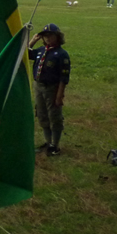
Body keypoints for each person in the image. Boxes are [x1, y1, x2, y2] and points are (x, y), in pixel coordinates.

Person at [30, 23, 71, 156]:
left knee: (54, 116)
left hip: (52, 88)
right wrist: (32, 41)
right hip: (39, 86)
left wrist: (59, 95)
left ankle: (55, 145)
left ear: (57, 36)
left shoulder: (61, 54)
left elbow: (64, 77)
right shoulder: (41, 50)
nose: (47, 38)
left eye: (50, 35)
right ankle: (48, 142)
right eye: (45, 36)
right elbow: (25, 53)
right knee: (42, 114)